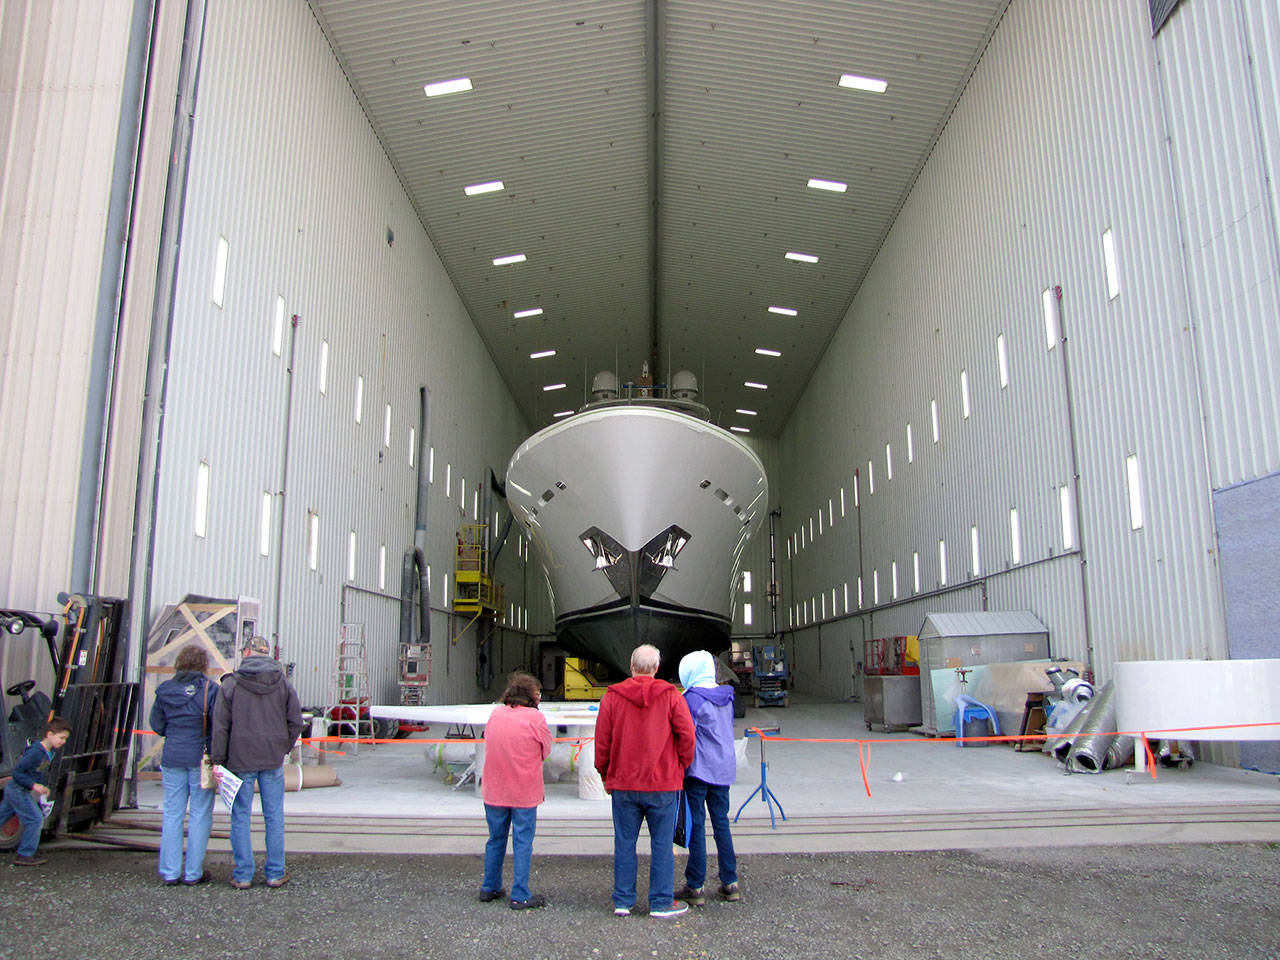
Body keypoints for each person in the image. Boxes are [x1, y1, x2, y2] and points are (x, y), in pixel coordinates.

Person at [594, 643, 696, 918]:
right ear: (657, 668)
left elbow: (602, 742)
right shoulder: (672, 696)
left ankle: (623, 901)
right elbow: (687, 736)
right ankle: (661, 902)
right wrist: (681, 767)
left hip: (624, 783)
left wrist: (605, 774)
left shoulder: (612, 697)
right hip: (663, 783)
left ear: (631, 666)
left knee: (624, 842)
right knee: (662, 844)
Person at [210, 636, 303, 889]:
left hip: (240, 759)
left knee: (240, 816)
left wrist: (217, 760)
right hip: (272, 758)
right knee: (274, 816)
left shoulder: (230, 685)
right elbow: (296, 720)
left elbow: (220, 726)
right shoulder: (283, 683)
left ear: (247, 652)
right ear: (267, 654)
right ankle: (275, 873)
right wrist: (282, 748)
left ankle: (243, 875)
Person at [478, 671, 553, 909]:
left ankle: (489, 887)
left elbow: (488, 739)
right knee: (522, 841)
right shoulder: (535, 718)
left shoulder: (495, 714)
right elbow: (546, 750)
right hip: (524, 789)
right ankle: (520, 893)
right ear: (532, 696)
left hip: (495, 788)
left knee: (495, 839)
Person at [674, 650, 741, 905]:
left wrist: (679, 765)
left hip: (698, 770)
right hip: (723, 769)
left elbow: (686, 736)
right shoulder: (727, 696)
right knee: (721, 823)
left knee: (697, 826)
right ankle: (730, 881)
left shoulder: (691, 699)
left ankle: (695, 885)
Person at [149, 644, 218, 885]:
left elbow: (157, 725)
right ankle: (193, 873)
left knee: (172, 814)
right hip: (200, 756)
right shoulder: (210, 689)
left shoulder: (165, 690)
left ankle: (170, 872)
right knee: (200, 814)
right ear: (203, 665)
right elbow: (216, 725)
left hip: (172, 756)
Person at [0, 716, 71, 865]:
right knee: (35, 819)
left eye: (65, 739)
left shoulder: (48, 752)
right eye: (61, 738)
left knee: (2, 816)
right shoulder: (36, 752)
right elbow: (18, 772)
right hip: (19, 789)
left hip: (17, 789)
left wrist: (42, 786)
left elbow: (37, 772)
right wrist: (34, 786)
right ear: (49, 734)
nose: (63, 742)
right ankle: (24, 855)